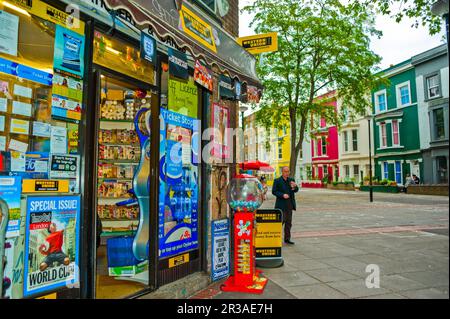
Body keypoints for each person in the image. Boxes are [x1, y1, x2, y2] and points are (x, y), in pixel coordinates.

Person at [272, 166, 299, 245]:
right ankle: (276, 238)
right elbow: (274, 191)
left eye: (288, 171)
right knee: (281, 222)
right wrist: (282, 195)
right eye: (285, 171)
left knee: (288, 222)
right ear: (282, 172)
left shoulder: (291, 180)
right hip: (281, 205)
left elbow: (296, 190)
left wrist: (295, 187)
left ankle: (287, 239)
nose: (287, 173)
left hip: (290, 204)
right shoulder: (277, 181)